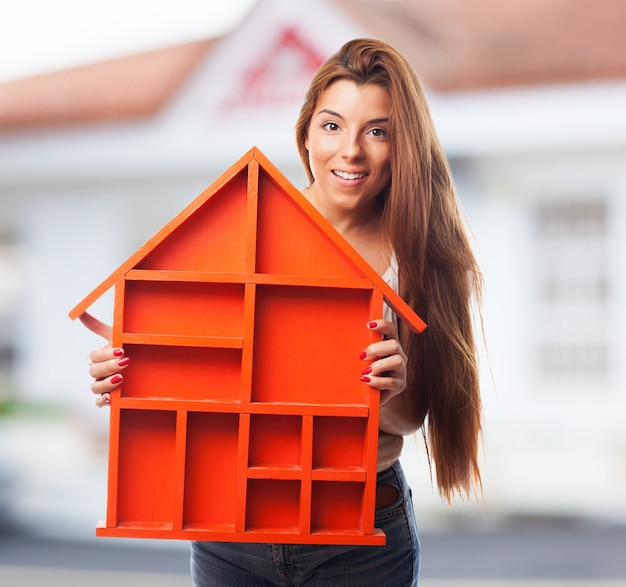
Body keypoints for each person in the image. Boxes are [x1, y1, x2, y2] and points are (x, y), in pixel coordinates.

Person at [84, 38, 483, 586]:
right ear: (306, 133)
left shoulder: (421, 258)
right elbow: (210, 378)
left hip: (360, 534)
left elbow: (410, 419)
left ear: (403, 145)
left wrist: (386, 390)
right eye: (333, 125)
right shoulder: (246, 230)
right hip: (232, 531)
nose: (351, 152)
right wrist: (133, 371)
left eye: (378, 131)